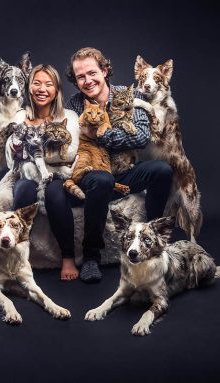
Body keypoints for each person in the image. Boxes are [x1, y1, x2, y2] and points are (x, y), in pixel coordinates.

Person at [65, 47, 173, 283]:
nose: (87, 80)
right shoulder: (74, 105)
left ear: (104, 70)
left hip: (124, 173)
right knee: (101, 180)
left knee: (161, 170)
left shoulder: (129, 95)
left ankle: (153, 239)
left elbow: (141, 136)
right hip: (94, 175)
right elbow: (71, 142)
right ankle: (92, 257)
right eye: (80, 76)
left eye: (92, 73)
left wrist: (101, 136)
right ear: (75, 80)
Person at [7, 64, 81, 281]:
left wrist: (34, 148)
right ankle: (16, 255)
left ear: (56, 90)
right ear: (29, 88)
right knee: (23, 191)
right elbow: (12, 156)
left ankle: (68, 256)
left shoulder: (69, 115)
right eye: (36, 83)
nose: (42, 88)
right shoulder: (20, 115)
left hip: (60, 175)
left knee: (55, 192)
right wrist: (33, 150)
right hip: (28, 174)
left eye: (48, 84)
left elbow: (71, 152)